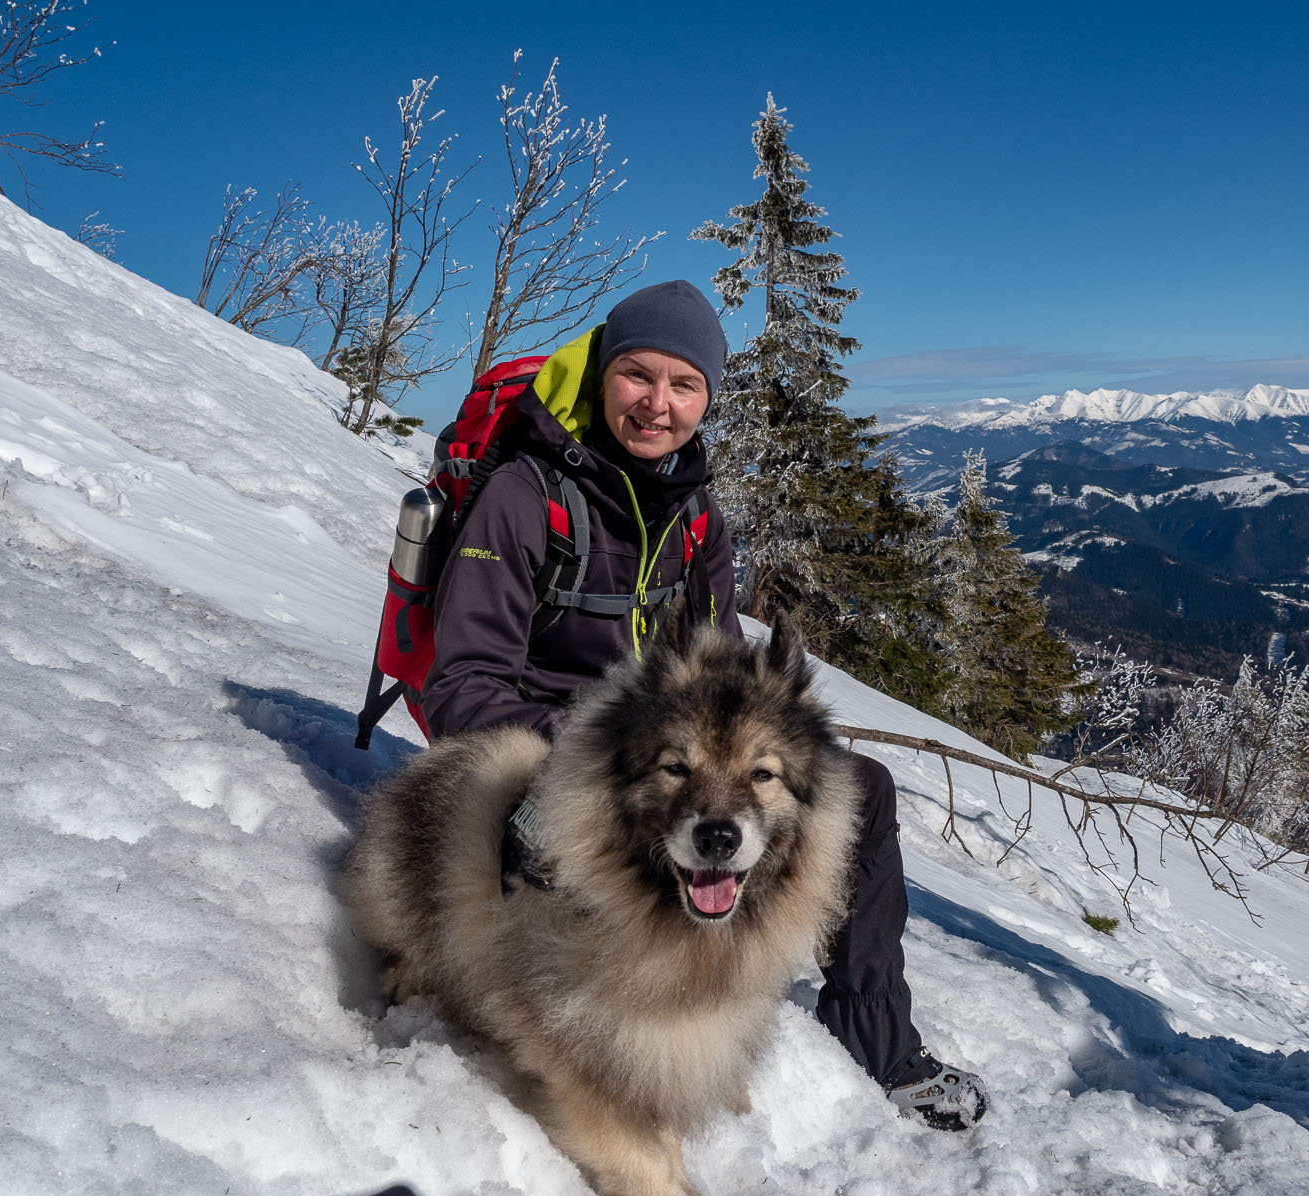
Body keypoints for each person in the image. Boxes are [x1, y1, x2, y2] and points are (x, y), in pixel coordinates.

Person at [421, 280, 987, 1130]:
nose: (657, 404)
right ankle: (644, 1036)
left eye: (683, 386)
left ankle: (876, 1038)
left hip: (670, 753)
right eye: (637, 377)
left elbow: (725, 677)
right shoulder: (524, 499)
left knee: (856, 790)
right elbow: (462, 681)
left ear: (707, 400)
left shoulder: (697, 521)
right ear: (604, 375)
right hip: (543, 752)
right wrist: (587, 750)